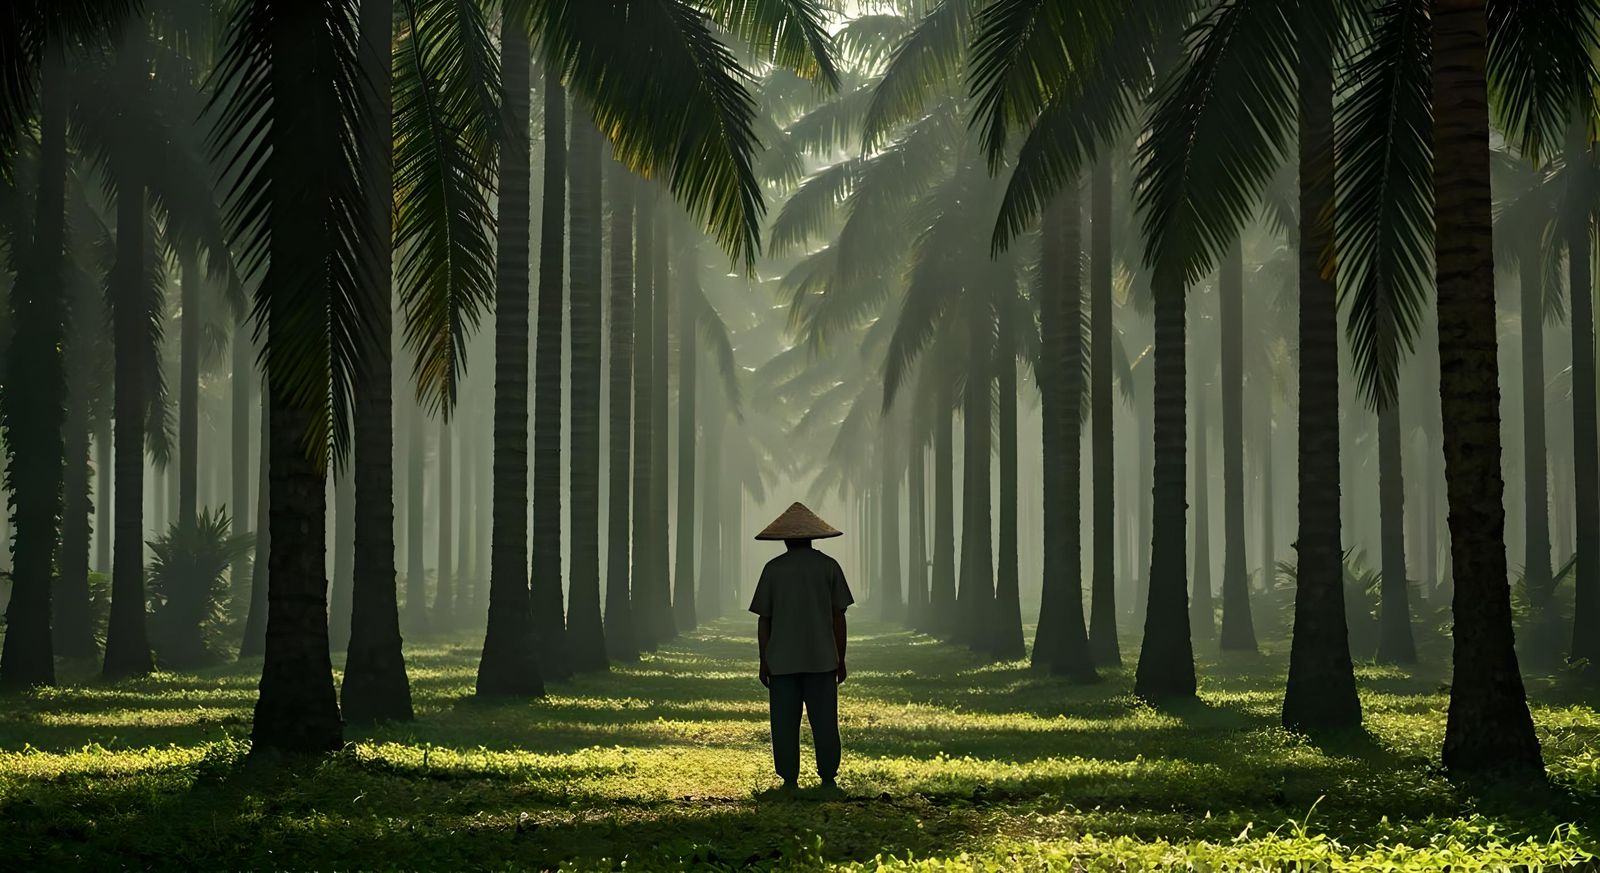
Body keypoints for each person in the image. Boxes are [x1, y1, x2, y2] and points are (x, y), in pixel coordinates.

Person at [749, 502, 853, 791]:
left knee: (783, 725)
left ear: (784, 538)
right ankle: (828, 777)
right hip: (822, 659)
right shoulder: (829, 567)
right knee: (825, 722)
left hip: (781, 661)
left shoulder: (773, 570)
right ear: (813, 537)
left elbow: (764, 620)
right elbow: (838, 617)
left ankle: (789, 779)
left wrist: (763, 660)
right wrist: (840, 658)